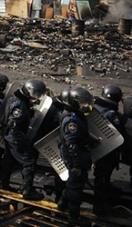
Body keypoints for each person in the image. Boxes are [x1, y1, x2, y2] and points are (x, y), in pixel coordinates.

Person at [0, 79, 46, 200]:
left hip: (10, 135)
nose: (37, 97)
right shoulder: (19, 104)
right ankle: (27, 190)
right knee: (29, 161)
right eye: (36, 94)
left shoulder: (18, 99)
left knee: (9, 159)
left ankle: (3, 183)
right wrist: (19, 142)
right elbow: (13, 124)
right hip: (14, 136)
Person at [58, 87, 94, 225]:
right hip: (75, 156)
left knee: (73, 183)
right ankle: (74, 217)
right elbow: (70, 144)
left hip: (76, 154)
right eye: (83, 103)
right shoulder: (72, 120)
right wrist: (76, 164)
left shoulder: (75, 115)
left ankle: (62, 204)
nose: (85, 106)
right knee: (75, 186)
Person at [91, 85, 126, 216]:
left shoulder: (96, 108)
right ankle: (100, 204)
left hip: (99, 147)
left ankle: (106, 189)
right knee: (102, 175)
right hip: (109, 149)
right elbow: (119, 131)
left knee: (102, 174)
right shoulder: (111, 114)